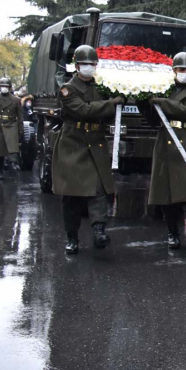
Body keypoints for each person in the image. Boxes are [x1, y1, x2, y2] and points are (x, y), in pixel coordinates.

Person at [52, 46, 125, 254]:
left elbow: (105, 114)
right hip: (73, 144)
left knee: (99, 190)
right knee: (72, 195)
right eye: (85, 64)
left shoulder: (102, 87)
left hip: (95, 142)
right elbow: (83, 110)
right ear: (76, 66)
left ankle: (99, 230)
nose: (89, 67)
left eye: (92, 64)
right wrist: (111, 104)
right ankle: (72, 237)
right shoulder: (67, 89)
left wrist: (117, 102)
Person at [146, 52, 186, 255]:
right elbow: (152, 119)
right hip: (166, 143)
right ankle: (172, 233)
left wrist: (162, 101)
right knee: (167, 192)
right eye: (181, 69)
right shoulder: (163, 89)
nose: (184, 73)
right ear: (173, 70)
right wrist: (144, 100)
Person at [0, 77, 22, 179]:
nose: (4, 88)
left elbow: (20, 116)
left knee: (13, 148)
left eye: (6, 86)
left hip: (11, 124)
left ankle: (14, 164)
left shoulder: (16, 100)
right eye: (2, 86)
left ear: (9, 87)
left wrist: (20, 129)